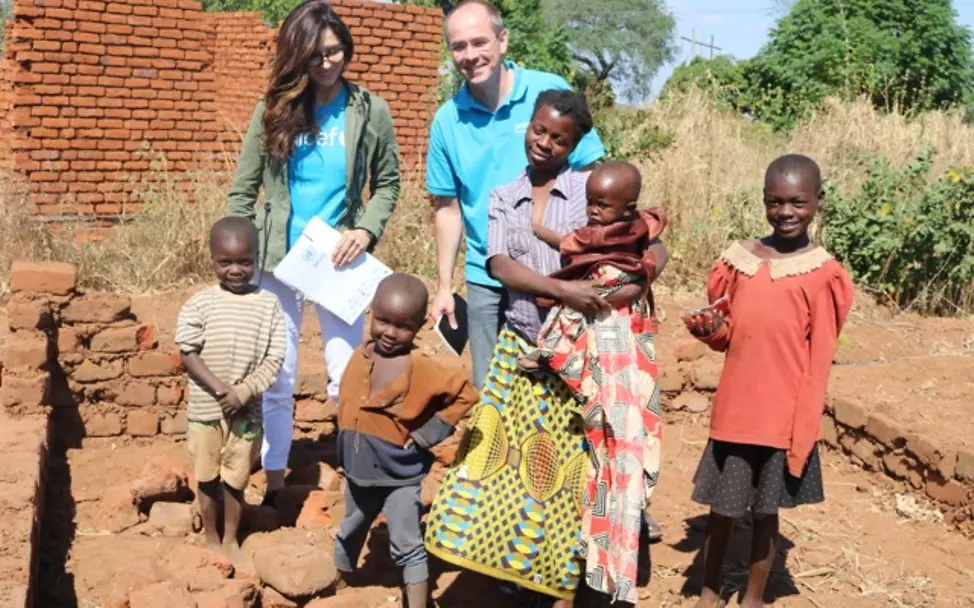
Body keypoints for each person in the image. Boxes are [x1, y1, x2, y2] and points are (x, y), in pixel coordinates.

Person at [425, 90, 667, 606]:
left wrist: (630, 284)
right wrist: (565, 290)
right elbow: (499, 266)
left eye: (559, 138)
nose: (545, 143)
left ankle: (585, 565)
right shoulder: (503, 196)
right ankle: (522, 569)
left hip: (587, 355)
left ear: (575, 144)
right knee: (521, 462)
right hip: (525, 344)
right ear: (527, 127)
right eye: (539, 130)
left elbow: (652, 245)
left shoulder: (592, 190)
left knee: (585, 459)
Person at [226, 0, 400, 504]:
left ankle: (354, 477)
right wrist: (237, 259)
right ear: (295, 56)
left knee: (346, 371)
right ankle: (276, 474)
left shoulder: (369, 110)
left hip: (339, 260)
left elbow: (387, 184)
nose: (328, 64)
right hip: (279, 260)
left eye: (336, 51)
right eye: (315, 55)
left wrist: (365, 231)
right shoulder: (274, 109)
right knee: (278, 373)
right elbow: (244, 190)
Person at [684, 154, 853, 608]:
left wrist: (804, 427)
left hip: (781, 416)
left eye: (798, 202)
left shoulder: (823, 274)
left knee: (765, 514)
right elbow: (727, 335)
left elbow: (819, 360)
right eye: (775, 202)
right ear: (763, 201)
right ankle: (711, 589)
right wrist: (709, 330)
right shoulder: (740, 261)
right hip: (738, 410)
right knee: (722, 512)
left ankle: (754, 597)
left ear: (818, 201)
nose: (786, 212)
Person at [426, 0, 606, 391]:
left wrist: (592, 256)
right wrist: (443, 286)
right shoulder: (447, 121)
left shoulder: (547, 91)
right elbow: (448, 209)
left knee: (560, 385)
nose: (470, 55)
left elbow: (591, 173)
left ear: (502, 40)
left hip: (554, 269)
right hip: (486, 276)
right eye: (459, 46)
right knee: (490, 389)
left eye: (479, 42)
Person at [334, 274, 478, 608]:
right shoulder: (360, 356)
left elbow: (465, 395)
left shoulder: (422, 367)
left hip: (400, 475)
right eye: (382, 321)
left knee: (408, 541)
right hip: (358, 470)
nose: (389, 333)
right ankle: (342, 578)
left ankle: (417, 602)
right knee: (351, 528)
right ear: (371, 313)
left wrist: (428, 434)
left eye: (403, 327)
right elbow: (346, 404)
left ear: (418, 326)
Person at [174, 217, 287, 561]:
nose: (235, 270)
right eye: (226, 262)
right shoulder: (200, 303)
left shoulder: (268, 304)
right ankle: (211, 536)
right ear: (212, 260)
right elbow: (187, 351)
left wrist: (244, 392)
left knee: (236, 480)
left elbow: (275, 357)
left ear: (256, 258)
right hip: (207, 411)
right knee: (207, 478)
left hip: (247, 412)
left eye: (245, 261)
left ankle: (231, 539)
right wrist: (222, 389)